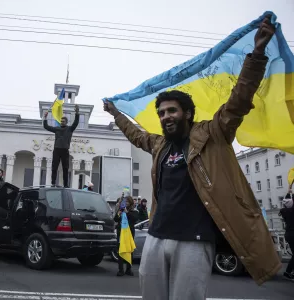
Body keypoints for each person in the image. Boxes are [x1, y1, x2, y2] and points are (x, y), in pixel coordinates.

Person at [104, 17, 279, 298]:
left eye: (171, 111)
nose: (165, 117)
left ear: (187, 113)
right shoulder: (160, 145)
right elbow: (136, 136)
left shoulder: (213, 133)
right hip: (156, 236)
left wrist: (256, 55)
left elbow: (239, 100)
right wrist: (115, 114)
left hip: (194, 241)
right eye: (161, 113)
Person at [43, 105, 79, 187]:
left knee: (65, 168)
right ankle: (53, 183)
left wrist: (77, 113)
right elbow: (46, 127)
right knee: (54, 167)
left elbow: (76, 123)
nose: (62, 122)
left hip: (65, 150)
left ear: (66, 122)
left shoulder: (70, 129)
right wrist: (45, 118)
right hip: (56, 150)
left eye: (63, 121)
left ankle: (66, 184)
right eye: (61, 121)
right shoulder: (57, 129)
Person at [114, 195, 138, 277]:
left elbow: (134, 219)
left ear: (130, 203)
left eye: (128, 202)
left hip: (129, 233)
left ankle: (128, 269)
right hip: (121, 233)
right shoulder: (121, 210)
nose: (126, 203)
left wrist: (127, 212)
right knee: (120, 251)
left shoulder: (134, 211)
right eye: (125, 202)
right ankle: (120, 270)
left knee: (129, 251)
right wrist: (118, 214)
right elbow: (115, 219)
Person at [279, 189, 294, 280]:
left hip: (288, 234)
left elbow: (287, 201)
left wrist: (289, 193)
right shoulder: (292, 212)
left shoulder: (285, 211)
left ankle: (289, 272)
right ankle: (288, 272)